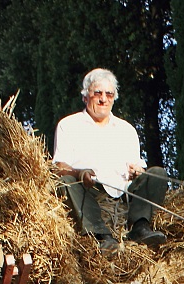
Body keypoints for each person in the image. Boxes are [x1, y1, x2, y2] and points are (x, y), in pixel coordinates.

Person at [52, 67, 169, 251]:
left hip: (123, 194)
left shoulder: (127, 129)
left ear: (114, 98)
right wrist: (79, 172)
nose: (103, 99)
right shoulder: (68, 125)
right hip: (88, 191)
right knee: (66, 182)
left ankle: (139, 226)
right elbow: (59, 166)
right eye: (97, 93)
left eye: (109, 94)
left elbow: (137, 167)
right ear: (85, 97)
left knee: (158, 174)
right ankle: (101, 235)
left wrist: (136, 171)